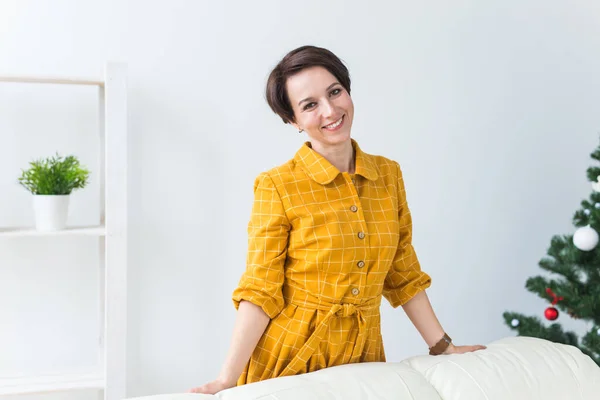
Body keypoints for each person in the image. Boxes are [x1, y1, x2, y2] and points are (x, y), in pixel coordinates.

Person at [189, 45, 486, 394]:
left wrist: (443, 347)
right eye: (309, 105)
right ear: (292, 120)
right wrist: (226, 379)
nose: (330, 111)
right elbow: (260, 289)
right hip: (290, 357)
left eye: (335, 92)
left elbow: (403, 272)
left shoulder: (388, 175)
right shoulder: (277, 186)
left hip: (365, 357)